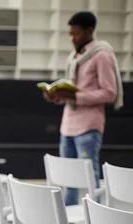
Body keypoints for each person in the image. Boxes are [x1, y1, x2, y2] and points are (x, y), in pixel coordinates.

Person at [44, 11, 124, 206]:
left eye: (76, 34)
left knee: (90, 178)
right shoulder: (74, 56)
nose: (72, 38)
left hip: (88, 126)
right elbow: (72, 91)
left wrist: (75, 96)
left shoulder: (101, 55)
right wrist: (56, 96)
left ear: (89, 31)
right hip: (68, 125)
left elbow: (109, 93)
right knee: (68, 178)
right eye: (70, 34)